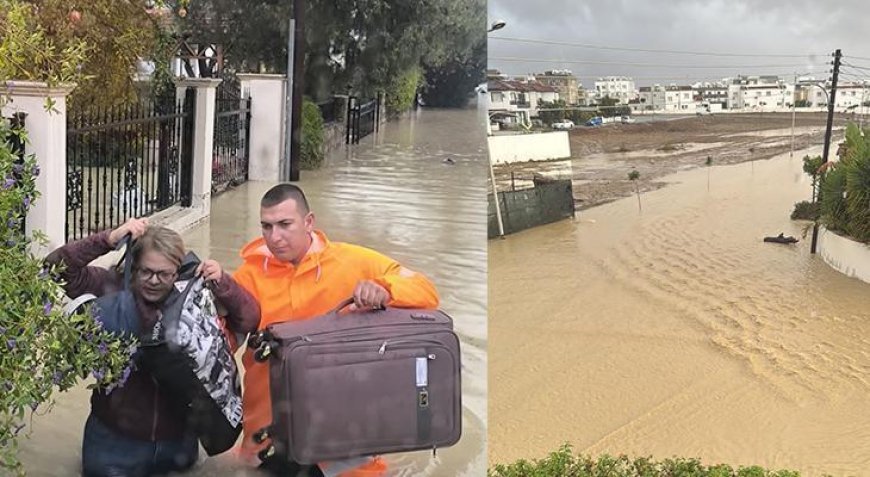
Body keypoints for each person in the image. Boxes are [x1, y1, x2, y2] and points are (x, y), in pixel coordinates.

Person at [232, 184, 440, 477]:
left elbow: (426, 291)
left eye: (284, 225)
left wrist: (385, 289)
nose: (274, 237)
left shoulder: (353, 262)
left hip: (343, 440)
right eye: (266, 226)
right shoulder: (247, 277)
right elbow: (222, 341)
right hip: (269, 436)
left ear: (309, 222)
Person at [44, 218, 260, 477]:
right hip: (114, 446)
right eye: (146, 271)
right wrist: (107, 240)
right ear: (134, 267)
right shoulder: (109, 286)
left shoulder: (194, 298)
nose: (154, 281)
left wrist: (223, 283)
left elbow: (250, 318)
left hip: (178, 444)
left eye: (164, 274)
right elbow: (55, 269)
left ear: (178, 271)